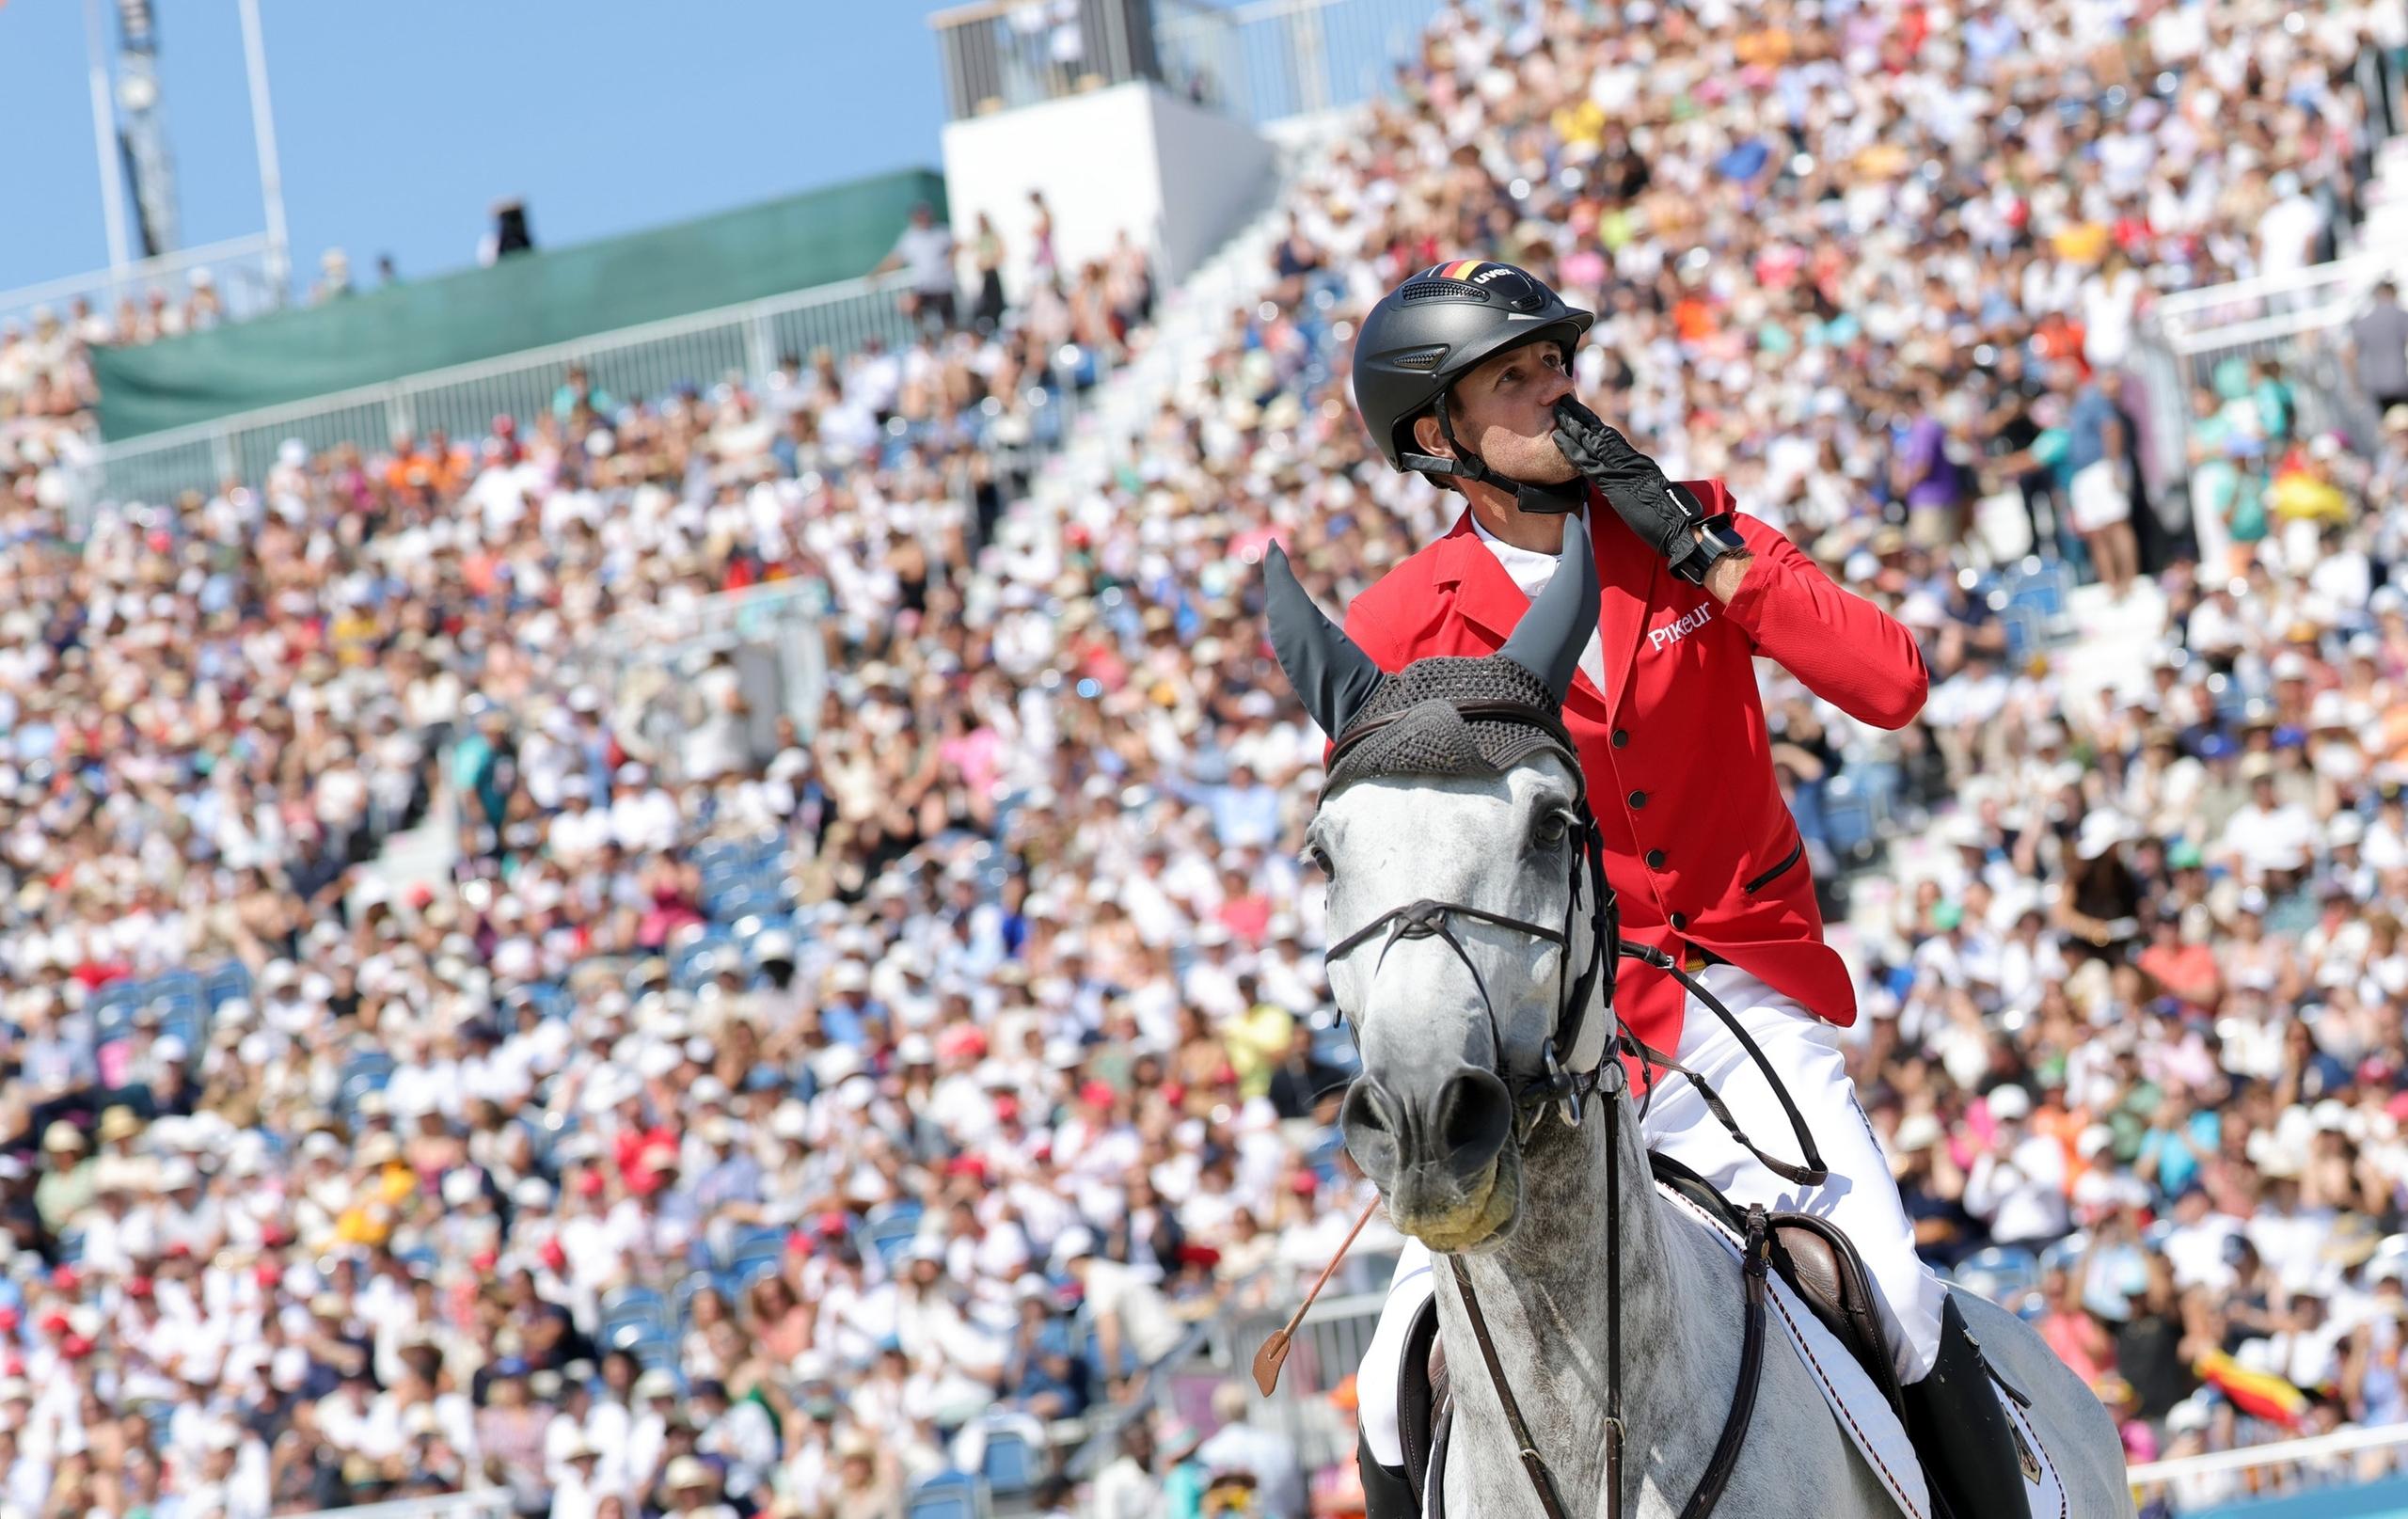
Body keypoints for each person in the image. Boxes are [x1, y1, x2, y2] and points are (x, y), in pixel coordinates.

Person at [1336, 261, 2026, 1519]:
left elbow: (1892, 683)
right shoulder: (1399, 624)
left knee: (1898, 1289)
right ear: (1436, 435)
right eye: (1517, 377)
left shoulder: (1694, 526)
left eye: (1560, 366)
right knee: (1388, 1383)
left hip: (1736, 1001)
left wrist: (1709, 554)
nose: (1560, 392)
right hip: (1551, 1039)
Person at [874, 203, 958, 332]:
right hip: (924, 286)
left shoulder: (941, 232)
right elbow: (896, 259)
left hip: (943, 285)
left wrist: (952, 258)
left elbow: (958, 245)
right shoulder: (909, 238)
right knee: (908, 305)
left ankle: (948, 339)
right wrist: (877, 275)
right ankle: (928, 333)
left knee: (948, 321)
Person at [2350, 280, 2408, 417]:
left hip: (2376, 386)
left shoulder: (2364, 322)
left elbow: (2348, 354)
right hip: (2401, 382)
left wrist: (2355, 386)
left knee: (2390, 426)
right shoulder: (2400, 315)